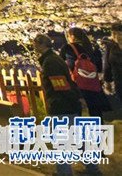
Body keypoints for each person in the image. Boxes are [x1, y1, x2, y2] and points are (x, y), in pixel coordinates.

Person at [33, 34, 102, 176]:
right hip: (68, 104)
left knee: (61, 142)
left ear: (41, 45)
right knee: (76, 140)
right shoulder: (54, 58)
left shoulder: (50, 62)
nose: (34, 46)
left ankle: (64, 172)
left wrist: (67, 100)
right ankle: (92, 169)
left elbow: (60, 85)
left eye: (35, 43)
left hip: (61, 105)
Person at [59, 27, 109, 117]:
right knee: (95, 111)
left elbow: (60, 63)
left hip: (77, 83)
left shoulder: (67, 48)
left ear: (72, 36)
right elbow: (99, 67)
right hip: (93, 83)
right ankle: (98, 125)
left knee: (77, 110)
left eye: (68, 36)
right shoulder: (92, 47)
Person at [103, 23, 122, 104]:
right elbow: (107, 65)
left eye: (119, 34)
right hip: (119, 82)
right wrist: (107, 81)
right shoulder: (110, 46)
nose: (116, 36)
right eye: (114, 34)